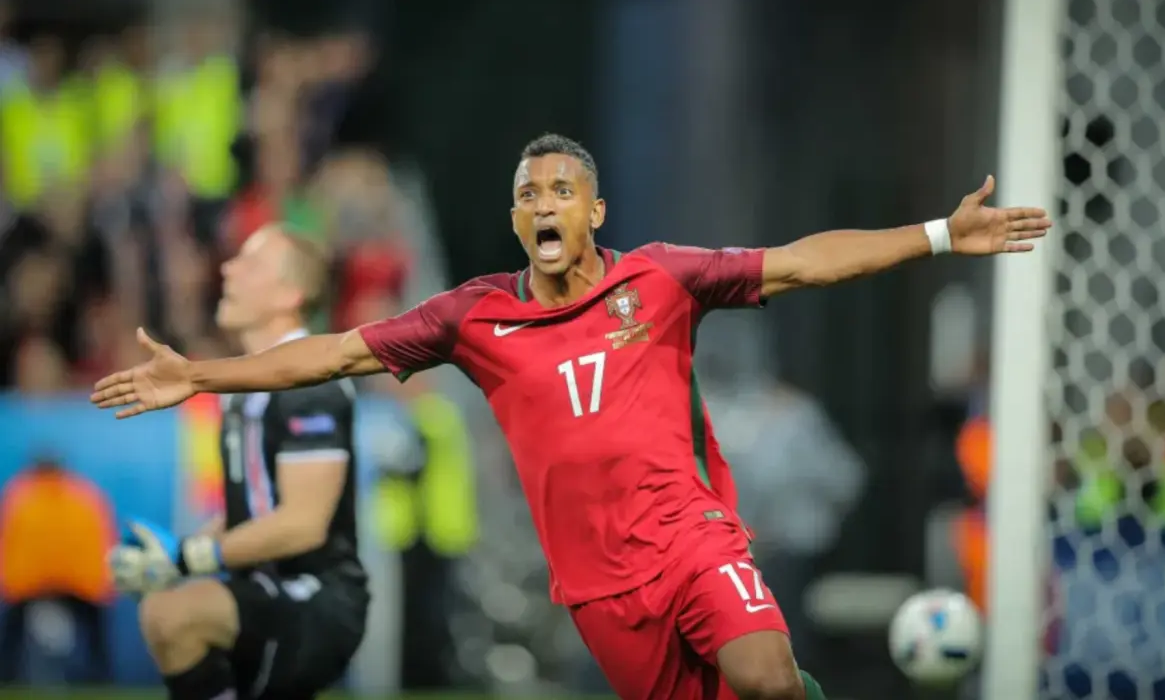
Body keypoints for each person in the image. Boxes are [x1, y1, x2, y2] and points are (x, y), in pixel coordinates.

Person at [93, 134, 1051, 700]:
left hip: (692, 537)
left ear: (596, 209)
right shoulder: (474, 318)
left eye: (560, 190)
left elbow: (801, 261)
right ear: (518, 223)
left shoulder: (661, 278)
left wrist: (937, 235)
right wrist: (203, 376)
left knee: (763, 674)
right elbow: (335, 351)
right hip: (597, 589)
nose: (542, 203)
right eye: (527, 194)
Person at [104, 224, 368, 700]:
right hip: (264, 591)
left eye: (250, 262)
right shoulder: (243, 389)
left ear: (291, 293)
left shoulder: (313, 385)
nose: (227, 267)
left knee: (173, 615)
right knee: (165, 612)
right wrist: (172, 559)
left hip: (316, 596)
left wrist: (191, 558)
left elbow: (302, 525)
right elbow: (250, 510)